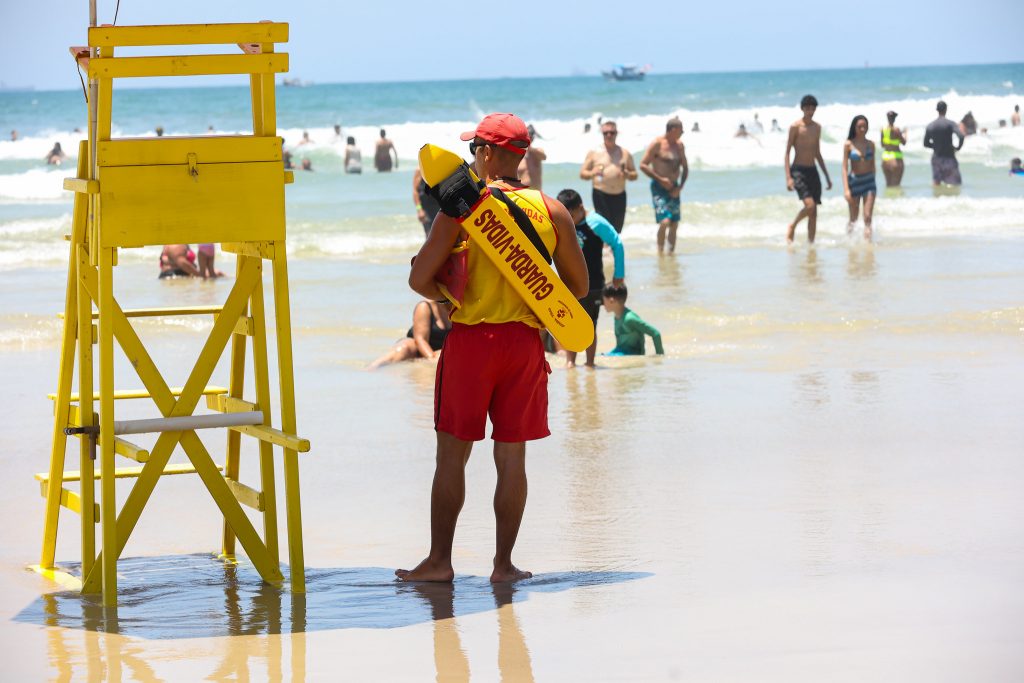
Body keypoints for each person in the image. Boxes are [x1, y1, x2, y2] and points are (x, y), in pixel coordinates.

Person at [398, 113, 588, 584]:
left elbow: (418, 279)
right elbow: (578, 288)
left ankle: (440, 562)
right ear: (520, 157)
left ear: (487, 153)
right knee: (512, 459)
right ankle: (503, 566)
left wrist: (448, 294)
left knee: (452, 458)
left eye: (473, 149)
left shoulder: (463, 208)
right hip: (524, 346)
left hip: (471, 345)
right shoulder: (552, 210)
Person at [555, 188, 625, 368]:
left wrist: (619, 274)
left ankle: (590, 363)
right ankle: (570, 362)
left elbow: (617, 243)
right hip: (570, 283)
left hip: (594, 284)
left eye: (570, 214)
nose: (568, 219)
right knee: (570, 324)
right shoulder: (564, 223)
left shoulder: (595, 222)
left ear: (580, 207)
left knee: (589, 325)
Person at [784, 94, 832, 244]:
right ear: (802, 109)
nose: (810, 111)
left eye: (813, 108)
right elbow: (787, 153)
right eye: (807, 108)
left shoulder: (817, 128)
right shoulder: (795, 127)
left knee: (814, 212)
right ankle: (793, 225)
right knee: (809, 206)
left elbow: (817, 153)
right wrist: (788, 177)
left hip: (813, 170)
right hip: (798, 171)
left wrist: (827, 176)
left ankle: (811, 246)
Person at [640, 118, 689, 253]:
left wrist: (680, 187)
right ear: (673, 130)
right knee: (665, 221)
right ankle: (660, 251)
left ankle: (671, 253)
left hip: (675, 187)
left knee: (674, 223)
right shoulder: (657, 144)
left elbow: (685, 167)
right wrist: (660, 179)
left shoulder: (679, 146)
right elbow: (643, 165)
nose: (682, 133)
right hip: (658, 187)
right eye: (681, 131)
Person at [580, 120, 638, 234]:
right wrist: (593, 173)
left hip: (619, 195)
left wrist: (627, 174)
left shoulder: (625, 153)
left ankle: (612, 251)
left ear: (617, 133)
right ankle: (603, 251)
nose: (609, 135)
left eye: (612, 132)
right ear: (602, 134)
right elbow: (582, 174)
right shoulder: (594, 152)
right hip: (600, 194)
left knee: (617, 230)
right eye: (605, 133)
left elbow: (634, 175)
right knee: (604, 228)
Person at [368, 300, 452, 369]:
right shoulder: (424, 306)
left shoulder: (459, 308)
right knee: (405, 347)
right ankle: (371, 368)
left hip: (441, 350)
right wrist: (431, 358)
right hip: (417, 346)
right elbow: (420, 339)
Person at [601, 284, 663, 356]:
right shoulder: (617, 317)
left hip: (632, 354)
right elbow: (620, 346)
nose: (602, 304)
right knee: (597, 357)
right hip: (619, 352)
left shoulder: (629, 319)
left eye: (604, 300)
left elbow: (655, 333)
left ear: (611, 300)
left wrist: (659, 357)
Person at [842, 115, 877, 241]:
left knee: (867, 216)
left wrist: (873, 181)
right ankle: (850, 244)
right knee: (853, 218)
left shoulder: (871, 144)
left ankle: (868, 246)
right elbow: (844, 168)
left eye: (865, 126)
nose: (862, 129)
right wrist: (846, 189)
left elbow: (873, 166)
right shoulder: (848, 144)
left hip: (869, 182)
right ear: (854, 127)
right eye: (859, 126)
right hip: (854, 182)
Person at [924, 100, 964, 187]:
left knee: (936, 183)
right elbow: (961, 136)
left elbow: (925, 143)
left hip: (936, 158)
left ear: (937, 110)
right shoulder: (950, 124)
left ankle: (937, 199)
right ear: (946, 109)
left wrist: (935, 146)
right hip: (949, 157)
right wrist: (957, 148)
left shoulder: (930, 126)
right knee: (955, 185)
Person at [880, 110, 907, 187]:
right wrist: (905, 133)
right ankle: (895, 199)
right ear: (894, 119)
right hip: (896, 158)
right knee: (896, 185)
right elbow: (904, 142)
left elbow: (882, 145)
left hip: (885, 159)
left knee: (888, 185)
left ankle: (888, 199)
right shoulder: (896, 130)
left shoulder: (883, 130)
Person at [412, 167, 442, 235]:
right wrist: (419, 210)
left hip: (440, 207)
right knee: (430, 235)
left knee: (442, 234)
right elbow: (415, 191)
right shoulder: (419, 170)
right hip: (427, 209)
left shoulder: (438, 166)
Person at [517, 125, 547, 190]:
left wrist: (529, 148)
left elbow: (544, 157)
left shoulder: (537, 151)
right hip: (522, 193)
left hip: (537, 194)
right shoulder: (517, 154)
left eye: (530, 137)